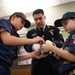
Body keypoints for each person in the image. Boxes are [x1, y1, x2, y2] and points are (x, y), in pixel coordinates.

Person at [24, 9, 64, 75]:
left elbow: (61, 41)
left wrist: (52, 44)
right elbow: (26, 46)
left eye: (40, 18)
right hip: (37, 64)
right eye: (36, 19)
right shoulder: (30, 33)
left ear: (44, 17)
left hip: (53, 63)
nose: (38, 21)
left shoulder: (54, 29)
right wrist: (34, 47)